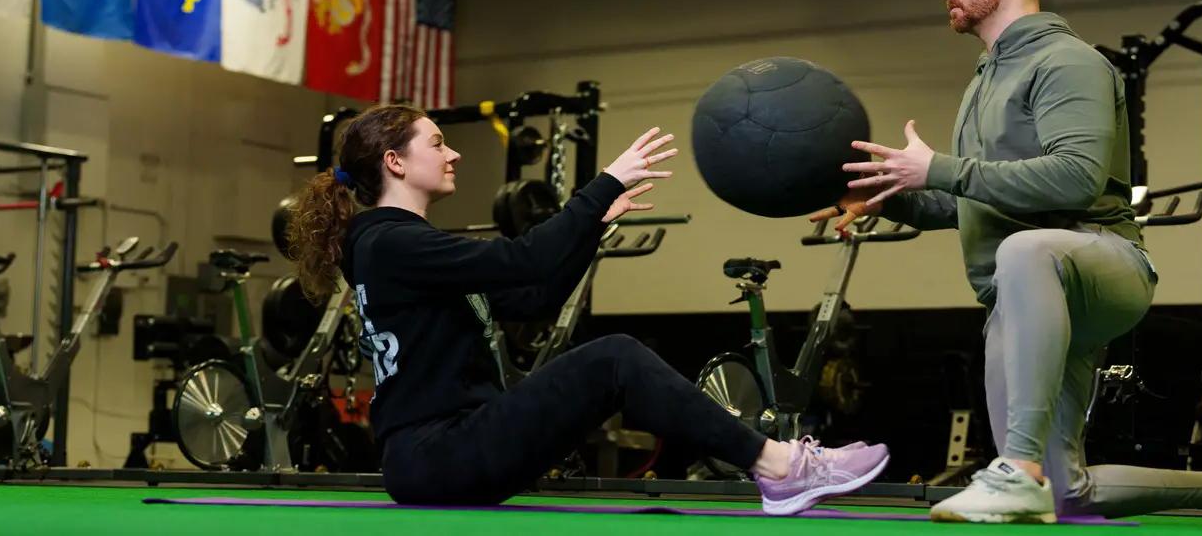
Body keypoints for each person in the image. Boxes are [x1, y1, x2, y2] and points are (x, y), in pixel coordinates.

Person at [813, 0, 1202, 527]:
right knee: (1067, 494)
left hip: (1101, 265)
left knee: (1025, 253)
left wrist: (940, 167)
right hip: (1020, 293)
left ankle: (1016, 468)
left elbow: (1074, 178)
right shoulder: (983, 81)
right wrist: (891, 195)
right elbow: (970, 198)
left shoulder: (1068, 62)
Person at [287, 103, 889, 514]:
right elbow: (524, 259)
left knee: (610, 363)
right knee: (614, 358)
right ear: (395, 162)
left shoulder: (399, 245)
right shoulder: (391, 241)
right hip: (437, 455)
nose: (454, 155)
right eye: (438, 143)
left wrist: (591, 228)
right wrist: (602, 183)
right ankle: (780, 467)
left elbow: (534, 296)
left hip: (446, 453)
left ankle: (778, 466)